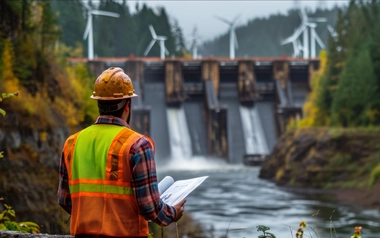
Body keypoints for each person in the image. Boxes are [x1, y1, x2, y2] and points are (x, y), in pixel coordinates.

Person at [57, 67, 186, 237]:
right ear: (128, 105)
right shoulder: (138, 145)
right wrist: (172, 213)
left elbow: (65, 200)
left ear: (98, 103)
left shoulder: (72, 143)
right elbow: (150, 208)